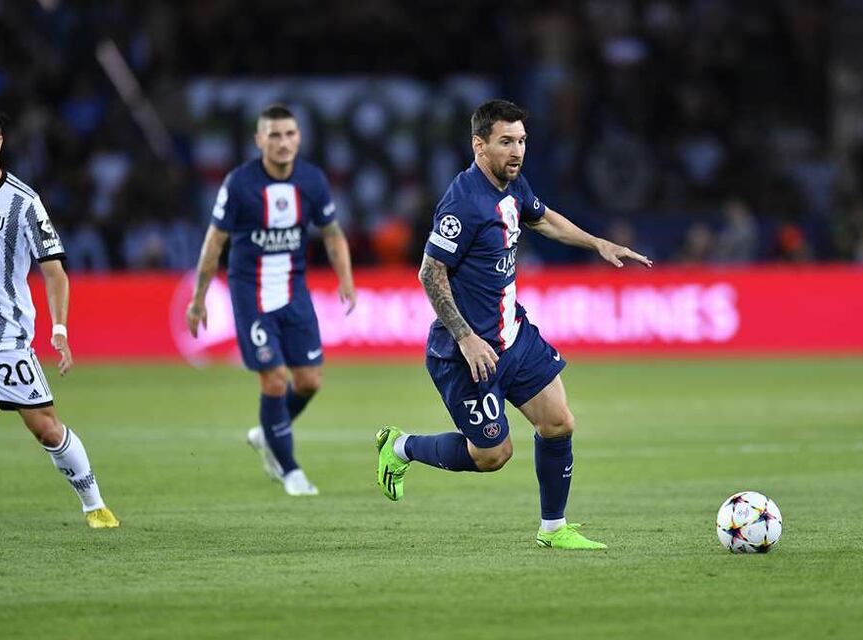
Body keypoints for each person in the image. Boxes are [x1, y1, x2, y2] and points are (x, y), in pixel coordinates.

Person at [375, 100, 652, 549]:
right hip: (466, 355)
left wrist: (597, 243)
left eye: (521, 141)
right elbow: (429, 272)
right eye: (506, 142)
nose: (517, 150)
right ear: (479, 145)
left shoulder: (512, 185)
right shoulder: (462, 204)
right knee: (492, 455)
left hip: (513, 335)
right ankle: (400, 447)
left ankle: (554, 529)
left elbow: (544, 220)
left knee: (559, 423)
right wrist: (466, 338)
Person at [0, 99, 119, 528]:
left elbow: (55, 273)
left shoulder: (23, 203)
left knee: (45, 427)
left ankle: (94, 505)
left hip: (1, 334)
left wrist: (59, 328)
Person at [187, 104, 356, 497]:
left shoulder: (312, 180)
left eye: (290, 134)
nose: (283, 143)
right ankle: (290, 469)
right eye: (274, 135)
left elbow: (331, 233)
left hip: (295, 293)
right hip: (252, 295)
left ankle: (268, 433)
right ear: (259, 140)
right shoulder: (240, 183)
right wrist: (198, 298)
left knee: (310, 381)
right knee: (276, 379)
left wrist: (345, 277)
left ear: (299, 137)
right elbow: (215, 241)